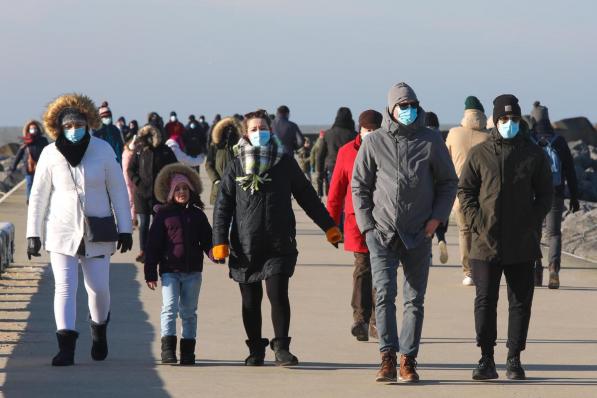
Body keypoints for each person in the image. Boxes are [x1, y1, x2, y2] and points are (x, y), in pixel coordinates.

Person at [212, 109, 342, 367]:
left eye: (262, 128)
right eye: (253, 129)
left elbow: (307, 196)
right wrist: (219, 241)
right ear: (245, 133)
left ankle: (282, 347)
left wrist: (329, 227)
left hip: (278, 242)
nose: (258, 132)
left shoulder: (284, 161)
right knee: (250, 301)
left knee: (278, 294)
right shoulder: (236, 164)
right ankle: (255, 349)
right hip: (245, 244)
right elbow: (223, 205)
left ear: (270, 130)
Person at [352, 83, 458, 383]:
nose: (408, 110)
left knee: (415, 300)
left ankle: (408, 360)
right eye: (402, 105)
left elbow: (449, 182)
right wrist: (367, 227)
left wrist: (437, 219)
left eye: (412, 104)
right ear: (391, 109)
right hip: (382, 232)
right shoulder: (375, 142)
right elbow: (359, 185)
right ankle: (387, 356)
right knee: (384, 294)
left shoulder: (431, 140)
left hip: (419, 234)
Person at [26, 93, 133, 366]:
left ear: (88, 123)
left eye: (79, 124)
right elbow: (38, 195)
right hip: (61, 231)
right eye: (68, 126)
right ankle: (66, 347)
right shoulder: (50, 154)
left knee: (98, 288)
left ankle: (99, 331)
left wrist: (125, 228)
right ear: (59, 127)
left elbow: (118, 189)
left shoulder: (103, 150)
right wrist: (33, 233)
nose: (74, 130)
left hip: (97, 230)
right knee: (64, 287)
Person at [458, 94, 553, 381]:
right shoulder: (479, 153)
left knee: (520, 302)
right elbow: (466, 192)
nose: (508, 124)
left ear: (519, 120)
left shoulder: (533, 154)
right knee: (485, 301)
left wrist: (531, 222)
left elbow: (546, 194)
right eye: (503, 119)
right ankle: (486, 358)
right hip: (485, 243)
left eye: (513, 119)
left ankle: (514, 359)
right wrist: (477, 222)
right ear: (494, 121)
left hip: (522, 243)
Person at [145, 164, 215, 366]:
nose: (182, 192)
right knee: (169, 308)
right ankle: (167, 350)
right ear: (170, 192)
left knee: (189, 311)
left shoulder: (198, 215)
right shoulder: (163, 216)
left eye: (185, 188)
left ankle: (187, 351)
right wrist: (150, 272)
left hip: (193, 272)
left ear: (191, 190)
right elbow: (153, 246)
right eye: (177, 189)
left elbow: (207, 240)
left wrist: (214, 254)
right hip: (170, 272)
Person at [327, 109, 382, 342]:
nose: (370, 134)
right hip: (355, 220)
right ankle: (360, 318)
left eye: (374, 130)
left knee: (381, 271)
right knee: (362, 268)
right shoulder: (346, 152)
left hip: (383, 219)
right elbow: (336, 189)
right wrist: (330, 225)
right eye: (367, 130)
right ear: (360, 129)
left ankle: (377, 322)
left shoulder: (388, 149)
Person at [530, 101, 579, 289]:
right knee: (554, 233)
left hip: (533, 193)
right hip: (555, 192)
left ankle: (536, 271)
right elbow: (570, 170)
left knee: (534, 232)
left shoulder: (529, 140)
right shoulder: (559, 141)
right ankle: (554, 269)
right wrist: (574, 196)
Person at [446, 96, 490, 285]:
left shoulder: (454, 133)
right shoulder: (488, 137)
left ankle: (468, 272)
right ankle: (483, 268)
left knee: (464, 231)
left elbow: (444, 162)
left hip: (460, 193)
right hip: (484, 193)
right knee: (482, 232)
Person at [127, 124, 177, 263]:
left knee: (158, 223)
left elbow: (174, 168)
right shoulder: (139, 151)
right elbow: (131, 170)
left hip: (159, 194)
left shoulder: (165, 151)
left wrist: (166, 186)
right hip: (141, 194)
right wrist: (138, 182)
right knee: (143, 224)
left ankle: (158, 250)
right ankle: (143, 250)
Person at [424, 111, 450, 265]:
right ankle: (442, 239)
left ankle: (429, 256)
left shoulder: (422, 137)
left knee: (427, 222)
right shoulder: (442, 137)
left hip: (427, 186)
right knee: (440, 217)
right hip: (442, 184)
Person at [318, 107, 356, 196]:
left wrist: (320, 172)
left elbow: (320, 155)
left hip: (332, 167)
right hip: (349, 169)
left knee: (334, 196)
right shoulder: (354, 135)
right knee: (347, 197)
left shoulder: (328, 134)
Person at [205, 116, 242, 204]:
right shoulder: (215, 146)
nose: (229, 132)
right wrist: (216, 180)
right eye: (226, 129)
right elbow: (208, 164)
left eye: (231, 129)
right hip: (219, 188)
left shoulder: (241, 146)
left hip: (237, 188)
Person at [11, 120, 49, 202]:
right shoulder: (25, 141)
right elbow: (19, 155)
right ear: (28, 130)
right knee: (29, 183)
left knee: (40, 184)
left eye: (35, 128)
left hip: (41, 167)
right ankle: (29, 200)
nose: (33, 130)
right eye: (31, 128)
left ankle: (38, 199)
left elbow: (48, 153)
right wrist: (13, 167)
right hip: (28, 167)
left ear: (38, 129)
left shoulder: (43, 140)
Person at [121, 133, 139, 228]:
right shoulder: (129, 152)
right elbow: (132, 146)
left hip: (127, 176)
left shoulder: (125, 152)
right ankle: (132, 219)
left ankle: (132, 218)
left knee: (131, 198)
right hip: (128, 177)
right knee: (131, 198)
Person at [311, 130, 326, 196]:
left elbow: (312, 154)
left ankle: (320, 194)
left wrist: (312, 164)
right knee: (324, 179)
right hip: (324, 164)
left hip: (318, 164)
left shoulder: (316, 143)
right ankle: (325, 193)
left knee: (319, 179)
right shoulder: (324, 142)